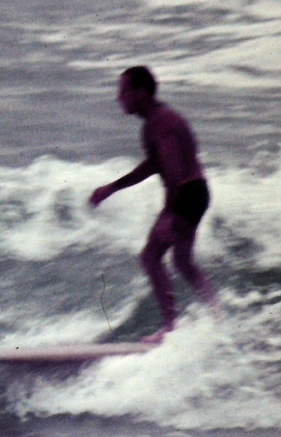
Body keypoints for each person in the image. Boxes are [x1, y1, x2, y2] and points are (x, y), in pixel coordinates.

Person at [89, 65, 217, 343]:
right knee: (182, 261)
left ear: (142, 92)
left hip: (186, 193)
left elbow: (173, 172)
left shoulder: (161, 123)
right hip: (195, 192)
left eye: (124, 91)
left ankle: (170, 328)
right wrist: (112, 188)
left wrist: (170, 213)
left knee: (151, 256)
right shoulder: (155, 122)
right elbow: (153, 165)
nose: (119, 97)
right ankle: (217, 314)